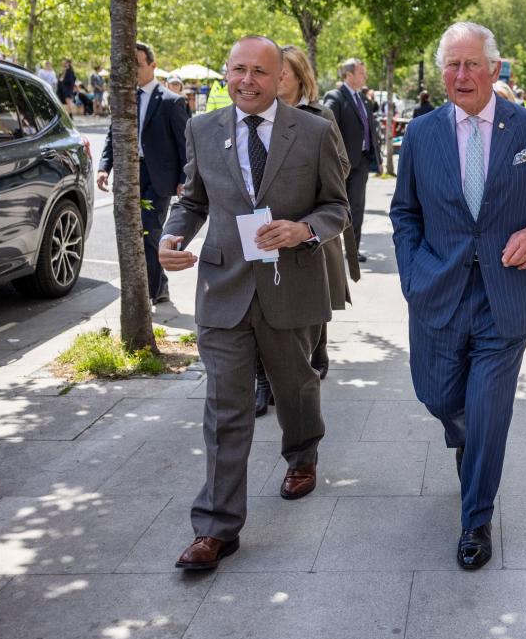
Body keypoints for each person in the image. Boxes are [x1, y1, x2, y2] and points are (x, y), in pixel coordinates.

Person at [159, 35, 350, 571]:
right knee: (225, 406)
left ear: (280, 76)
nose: (247, 81)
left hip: (292, 285)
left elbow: (338, 207)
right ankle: (216, 528)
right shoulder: (202, 128)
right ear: (226, 73)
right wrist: (172, 238)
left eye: (259, 72)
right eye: (238, 70)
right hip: (224, 290)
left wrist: (303, 229)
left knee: (296, 387)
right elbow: (192, 200)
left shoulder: (312, 131)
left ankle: (303, 451)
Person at [391, 21, 526, 570]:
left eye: (471, 64)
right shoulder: (420, 134)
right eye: (452, 65)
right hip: (437, 292)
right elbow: (404, 213)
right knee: (441, 399)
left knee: (489, 410)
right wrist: (412, 274)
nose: (461, 75)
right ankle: (464, 436)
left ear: (495, 69)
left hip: (504, 297)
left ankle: (476, 520)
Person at [254, 45, 357, 416]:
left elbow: (340, 165)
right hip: (262, 226)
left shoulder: (320, 115)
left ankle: (318, 345)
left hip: (308, 223)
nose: (275, 77)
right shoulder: (253, 116)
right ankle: (262, 379)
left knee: (311, 296)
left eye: (282, 72)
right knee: (260, 302)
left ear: (299, 77)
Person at [97, 42, 190, 304]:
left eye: (137, 65)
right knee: (131, 233)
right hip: (130, 173)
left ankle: (154, 290)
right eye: (128, 65)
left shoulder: (173, 102)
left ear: (153, 65)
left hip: (159, 178)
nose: (133, 71)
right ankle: (156, 287)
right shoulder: (123, 98)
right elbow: (112, 134)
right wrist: (105, 167)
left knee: (150, 231)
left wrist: (184, 180)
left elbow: (184, 145)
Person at [323, 59, 378, 263]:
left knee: (357, 208)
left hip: (361, 162)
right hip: (341, 164)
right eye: (361, 73)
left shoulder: (363, 99)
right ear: (348, 75)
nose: (365, 77)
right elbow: (326, 126)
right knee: (335, 207)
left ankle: (352, 250)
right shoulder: (336, 97)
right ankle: (329, 250)